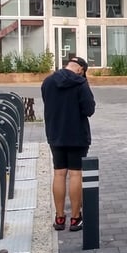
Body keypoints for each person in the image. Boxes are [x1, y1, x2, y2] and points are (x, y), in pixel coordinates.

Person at [41, 56, 96, 231]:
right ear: (81, 69)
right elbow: (89, 110)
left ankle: (59, 218)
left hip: (55, 134)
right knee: (75, 175)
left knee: (59, 174)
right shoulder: (80, 83)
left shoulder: (48, 82)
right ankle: (75, 218)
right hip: (77, 136)